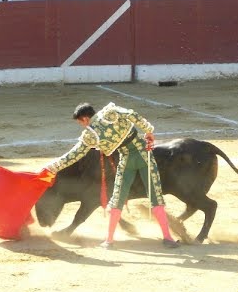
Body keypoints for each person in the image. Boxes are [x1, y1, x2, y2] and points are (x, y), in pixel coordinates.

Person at [40, 102, 178, 249]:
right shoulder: (110, 112)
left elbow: (73, 155)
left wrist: (51, 167)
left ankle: (109, 241)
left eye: (80, 122)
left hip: (126, 161)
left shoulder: (90, 135)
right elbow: (132, 115)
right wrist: (148, 130)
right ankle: (168, 238)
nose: (82, 125)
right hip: (144, 156)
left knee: (117, 199)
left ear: (85, 119)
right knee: (155, 197)